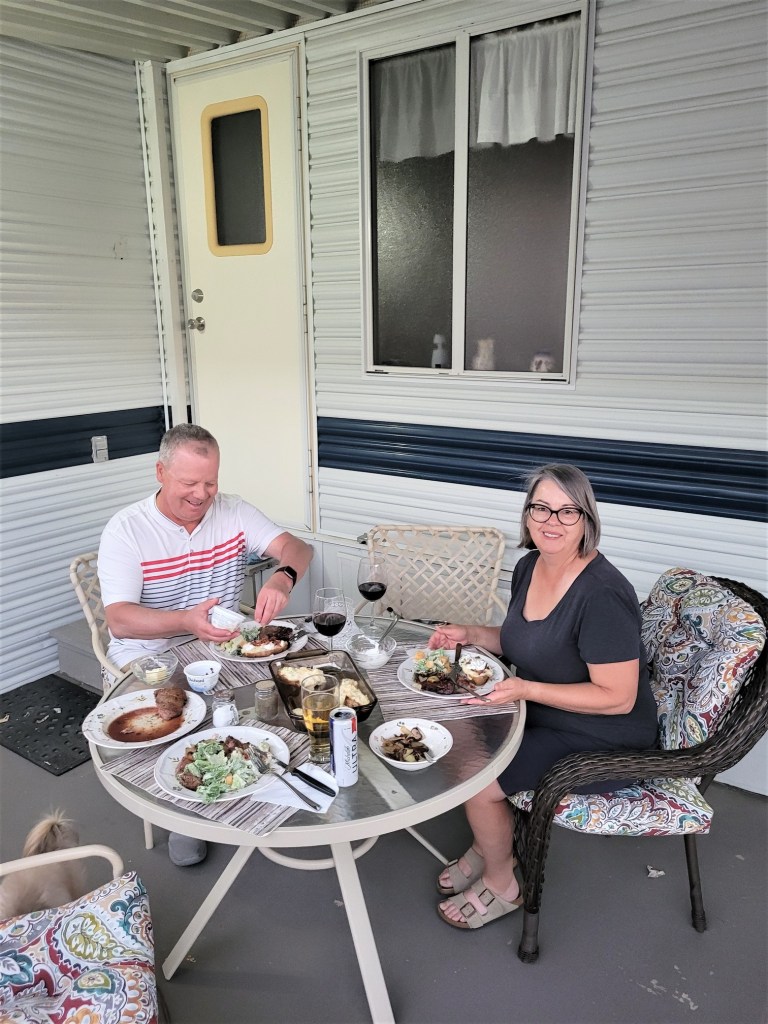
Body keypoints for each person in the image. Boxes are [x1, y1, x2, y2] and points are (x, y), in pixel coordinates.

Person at [429, 464, 658, 930]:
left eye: (567, 511)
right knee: (452, 733)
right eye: (541, 508)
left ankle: (502, 883)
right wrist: (470, 633)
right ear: (527, 514)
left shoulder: (603, 594)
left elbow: (618, 697)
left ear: (586, 520)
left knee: (477, 777)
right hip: (543, 711)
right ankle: (489, 844)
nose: (552, 521)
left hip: (604, 735)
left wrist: (527, 689)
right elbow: (527, 641)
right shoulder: (530, 566)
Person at [98, 423, 313, 864]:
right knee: (180, 710)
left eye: (210, 483)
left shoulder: (233, 511)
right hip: (150, 655)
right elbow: (119, 621)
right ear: (160, 472)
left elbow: (299, 548)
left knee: (294, 685)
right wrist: (184, 621)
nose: (201, 495)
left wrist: (283, 575)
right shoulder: (127, 529)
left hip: (222, 644)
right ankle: (185, 813)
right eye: (189, 483)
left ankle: (259, 783)